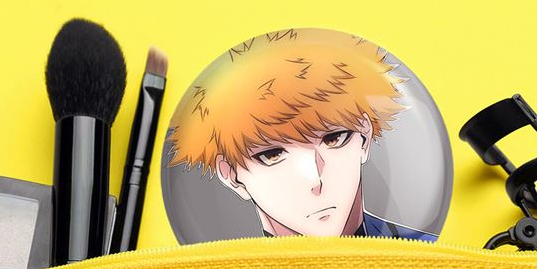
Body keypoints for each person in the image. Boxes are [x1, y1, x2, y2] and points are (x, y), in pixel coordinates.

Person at [166, 29, 436, 241]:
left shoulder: (424, 255)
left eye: (334, 139)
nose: (314, 178)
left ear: (364, 137)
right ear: (230, 174)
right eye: (272, 154)